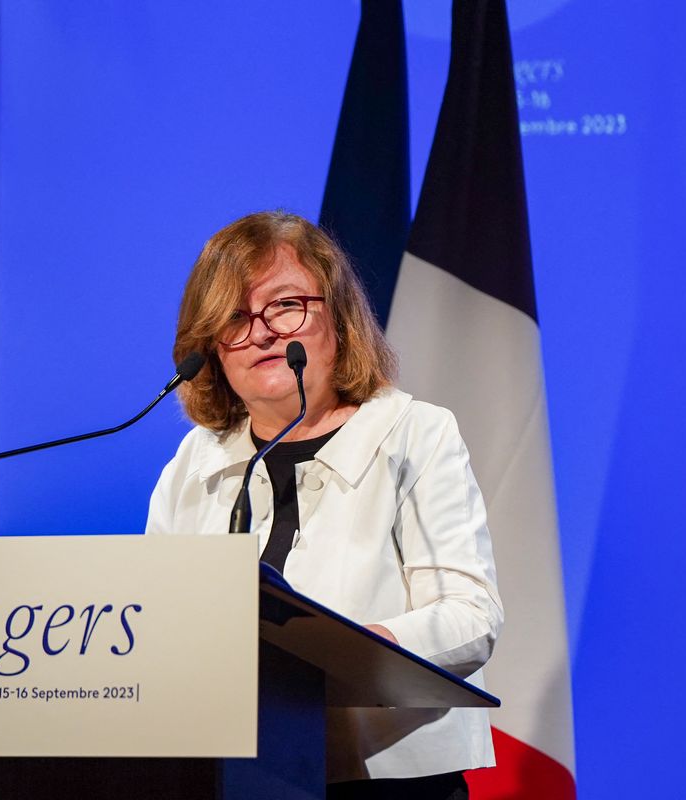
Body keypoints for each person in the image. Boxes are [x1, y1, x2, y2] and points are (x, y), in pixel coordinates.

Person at [146, 211, 501, 798]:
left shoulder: (414, 434)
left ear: (337, 318)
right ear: (210, 347)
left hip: (386, 778)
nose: (260, 332)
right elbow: (156, 621)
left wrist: (352, 651)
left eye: (285, 306)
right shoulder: (195, 461)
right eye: (234, 318)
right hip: (225, 774)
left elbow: (471, 616)